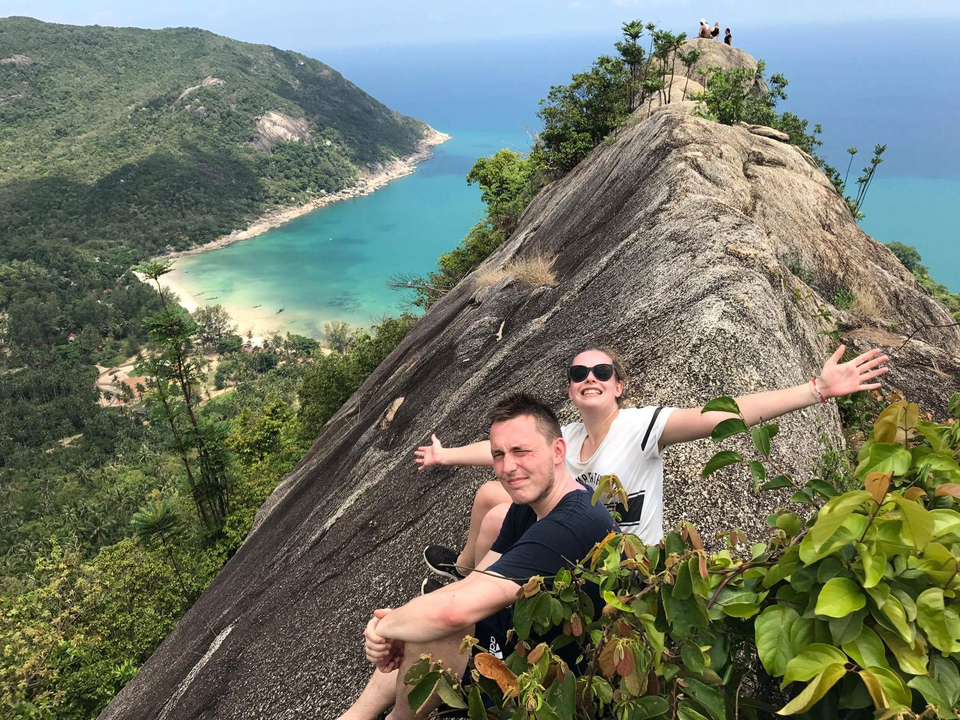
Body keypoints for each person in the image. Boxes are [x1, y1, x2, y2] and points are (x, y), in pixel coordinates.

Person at [416, 345, 889, 581]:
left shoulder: (644, 426)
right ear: (569, 390)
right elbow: (503, 454)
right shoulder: (569, 436)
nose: (590, 378)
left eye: (603, 372)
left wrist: (815, 390)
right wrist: (445, 456)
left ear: (619, 386)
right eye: (579, 374)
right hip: (572, 539)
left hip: (621, 561)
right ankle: (461, 572)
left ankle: (473, 602)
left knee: (502, 513)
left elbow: (723, 415)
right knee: (490, 492)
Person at [338, 394, 616, 720]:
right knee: (426, 616)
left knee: (439, 624)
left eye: (521, 451)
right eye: (498, 454)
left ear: (558, 450)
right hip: (530, 631)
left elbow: (454, 612)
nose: (507, 467)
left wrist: (388, 629)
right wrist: (404, 624)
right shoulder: (528, 507)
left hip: (557, 673)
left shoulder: (572, 525)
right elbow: (473, 582)